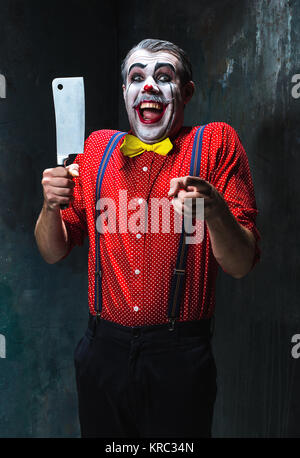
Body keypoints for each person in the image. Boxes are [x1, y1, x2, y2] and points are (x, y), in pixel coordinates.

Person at [34, 38, 260, 438]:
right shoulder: (96, 149)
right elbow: (52, 251)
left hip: (179, 356)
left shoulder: (214, 144)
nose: (149, 86)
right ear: (125, 92)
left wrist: (215, 209)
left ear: (186, 92)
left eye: (164, 77)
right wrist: (51, 206)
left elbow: (241, 264)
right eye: (137, 77)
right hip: (102, 352)